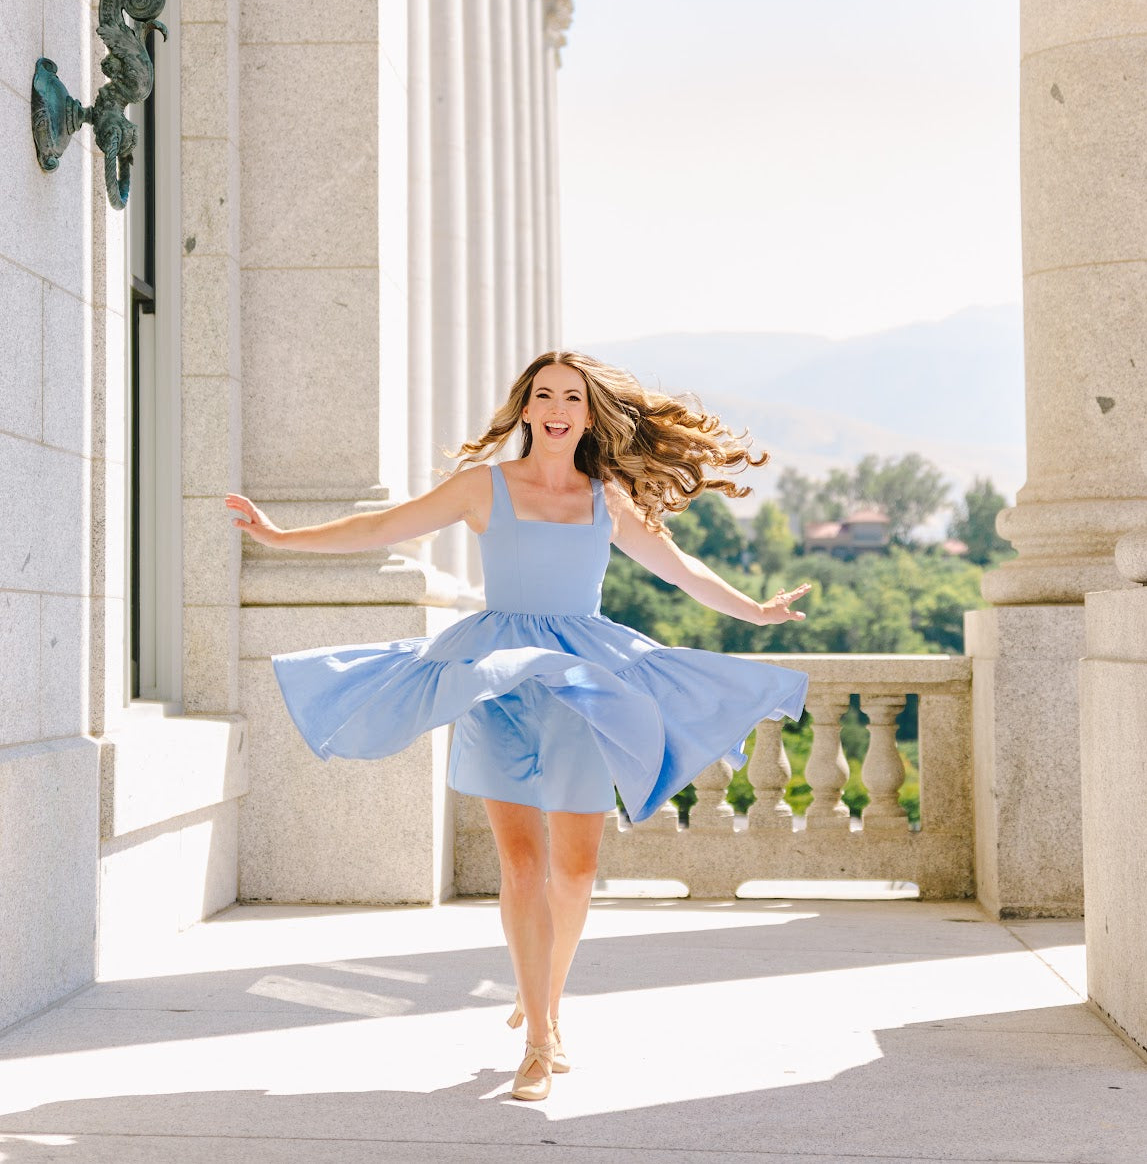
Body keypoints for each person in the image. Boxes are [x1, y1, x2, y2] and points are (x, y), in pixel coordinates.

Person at [224, 350, 810, 1101]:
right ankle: (539, 1041)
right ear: (526, 409)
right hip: (496, 681)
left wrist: (756, 611)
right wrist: (278, 539)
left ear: (590, 413)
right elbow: (385, 526)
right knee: (523, 869)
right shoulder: (484, 488)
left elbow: (681, 570)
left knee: (573, 872)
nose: (559, 406)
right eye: (544, 395)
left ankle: (545, 1004)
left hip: (585, 689)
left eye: (573, 396)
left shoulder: (608, 498)